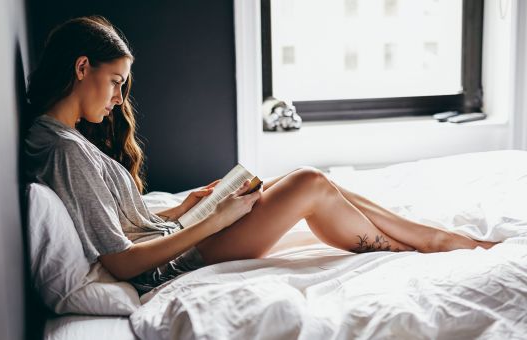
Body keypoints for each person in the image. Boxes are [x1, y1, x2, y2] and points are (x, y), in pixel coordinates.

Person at [25, 16, 496, 295]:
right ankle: (424, 248)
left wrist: (185, 208)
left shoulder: (66, 140)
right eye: (115, 81)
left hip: (183, 233)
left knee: (308, 182)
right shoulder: (64, 150)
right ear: (82, 67)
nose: (118, 97)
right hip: (180, 259)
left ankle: (434, 239)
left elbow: (118, 221)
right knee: (308, 183)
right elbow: (122, 263)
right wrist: (213, 220)